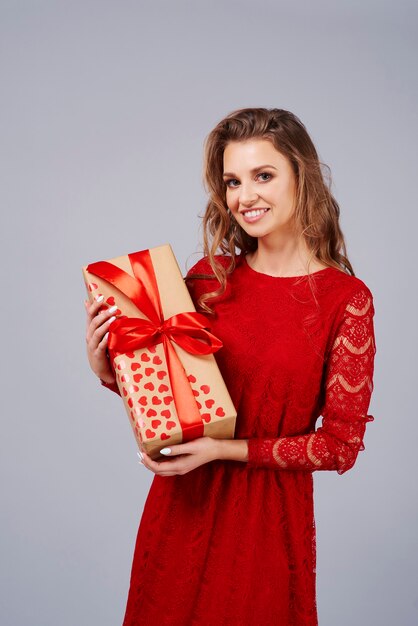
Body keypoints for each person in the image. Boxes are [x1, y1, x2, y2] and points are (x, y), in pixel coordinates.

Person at [84, 108, 376, 626]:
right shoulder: (206, 279)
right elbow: (168, 396)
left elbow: (339, 446)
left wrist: (223, 449)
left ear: (300, 175)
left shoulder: (345, 300)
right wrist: (108, 366)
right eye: (233, 181)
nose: (245, 197)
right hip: (182, 510)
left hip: (266, 524)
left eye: (263, 176)